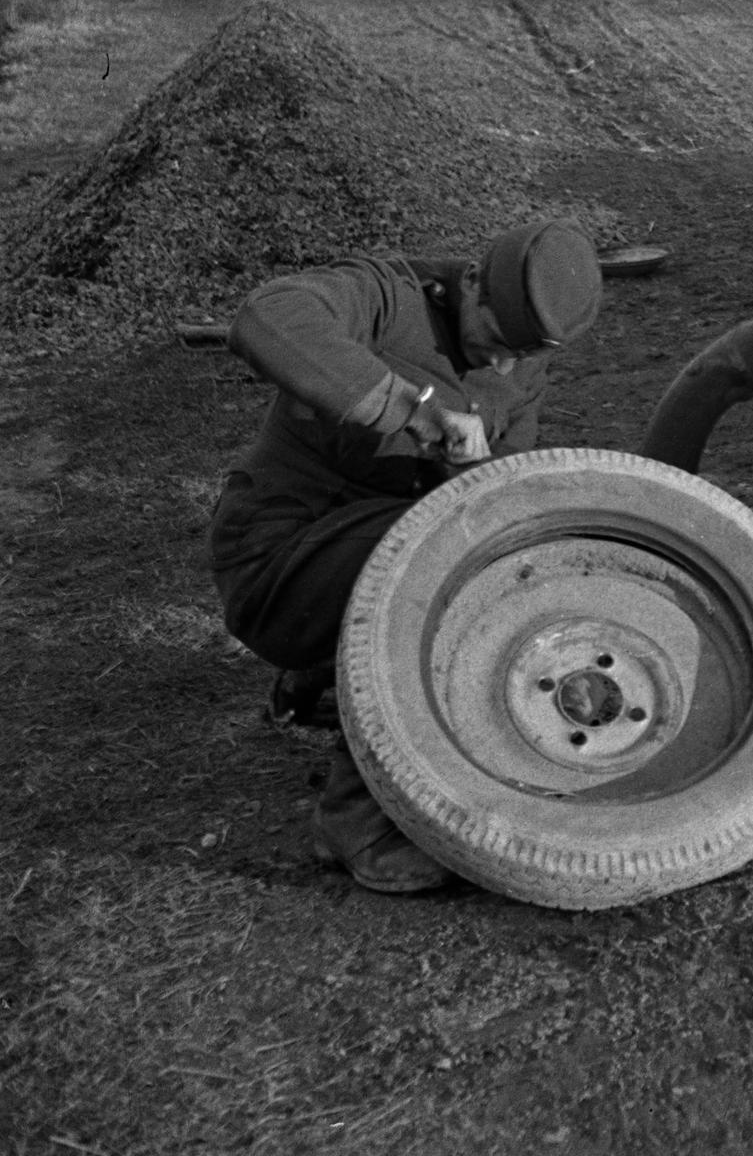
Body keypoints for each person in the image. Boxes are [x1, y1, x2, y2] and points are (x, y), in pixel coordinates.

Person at [208, 219, 603, 893]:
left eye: (525, 354)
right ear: (472, 280)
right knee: (449, 564)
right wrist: (411, 411)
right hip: (274, 563)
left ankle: (329, 677)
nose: (505, 366)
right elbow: (266, 316)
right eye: (500, 342)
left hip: (360, 568)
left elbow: (502, 501)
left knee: (504, 554)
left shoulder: (520, 363)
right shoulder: (387, 296)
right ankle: (358, 821)